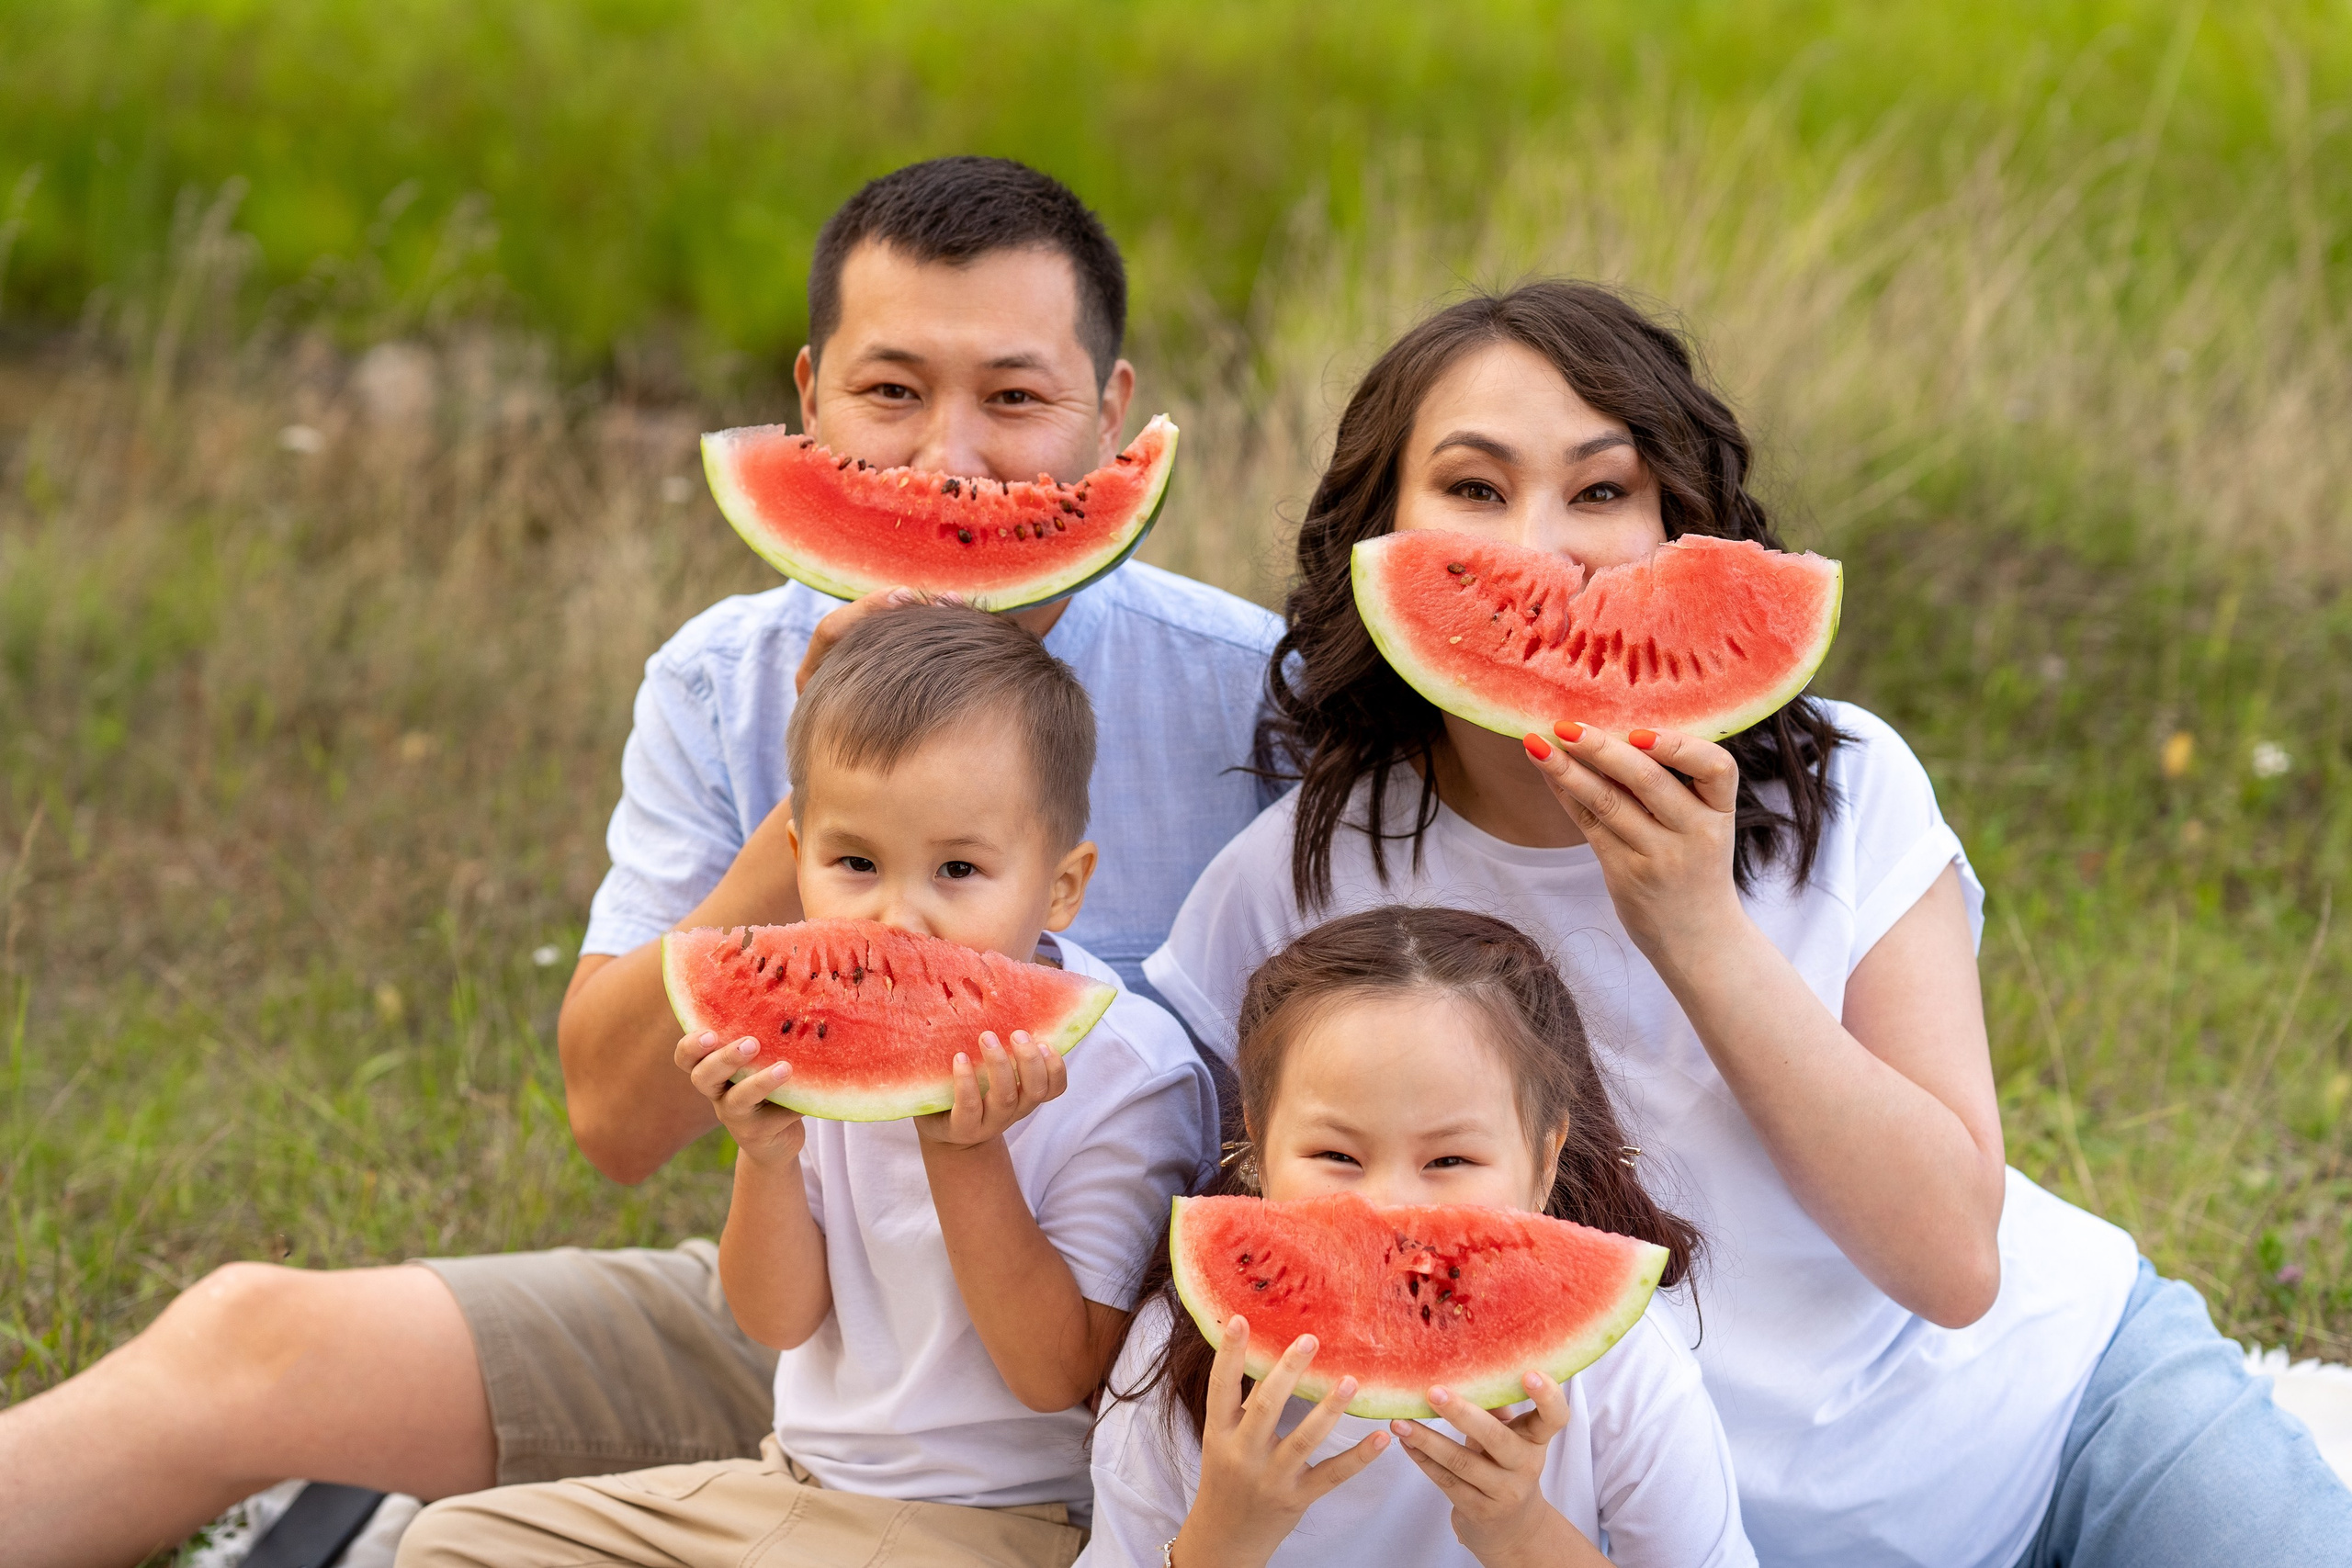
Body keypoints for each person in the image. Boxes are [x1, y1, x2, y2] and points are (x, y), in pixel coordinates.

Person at [0, 157, 1277, 1568]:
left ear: (1112, 418)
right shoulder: (720, 678)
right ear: (809, 400)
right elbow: (615, 1118)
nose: (948, 464)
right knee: (250, 1333)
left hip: (1133, 1406)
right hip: (822, 1325)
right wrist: (827, 808)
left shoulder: (1249, 697)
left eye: (1016, 400)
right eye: (892, 392)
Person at [1142, 281, 2352, 1567]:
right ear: (1384, 535)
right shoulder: (1302, 877)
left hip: (2069, 1425)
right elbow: (1203, 1245)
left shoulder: (1846, 782)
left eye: (1602, 491)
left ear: (1681, 524)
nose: (1546, 549)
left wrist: (1696, 925)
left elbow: (1954, 1260)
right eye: (1476, 491)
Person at [395, 602, 1214, 1568]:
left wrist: (966, 1154)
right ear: (797, 860)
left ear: (1063, 884)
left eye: (958, 869)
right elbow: (772, 1320)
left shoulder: (1130, 1071)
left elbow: (1056, 1373)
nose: (896, 918)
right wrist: (767, 1159)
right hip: (790, 1484)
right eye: (855, 863)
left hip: (1007, 1525)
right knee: (451, 1542)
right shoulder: (815, 1037)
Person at [1089, 905, 1754, 1568]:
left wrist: (1522, 1534)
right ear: (1260, 1144)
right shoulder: (1172, 1353)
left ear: (1545, 1160)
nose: (1390, 1207)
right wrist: (1219, 1545)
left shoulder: (1624, 1365)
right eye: (1337, 1156)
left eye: (1448, 1161)